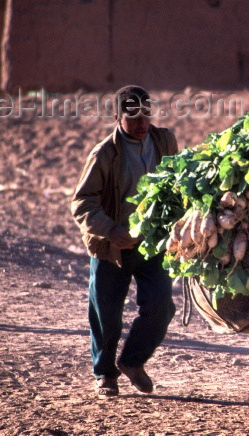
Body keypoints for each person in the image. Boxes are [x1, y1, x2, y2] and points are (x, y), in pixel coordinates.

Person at [71, 85, 177, 397]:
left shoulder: (164, 141)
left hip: (151, 243)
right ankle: (105, 374)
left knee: (161, 307)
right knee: (106, 315)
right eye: (134, 117)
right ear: (117, 116)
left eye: (147, 114)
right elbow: (81, 203)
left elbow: (177, 182)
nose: (143, 122)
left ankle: (132, 361)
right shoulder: (104, 153)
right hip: (112, 248)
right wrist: (112, 230)